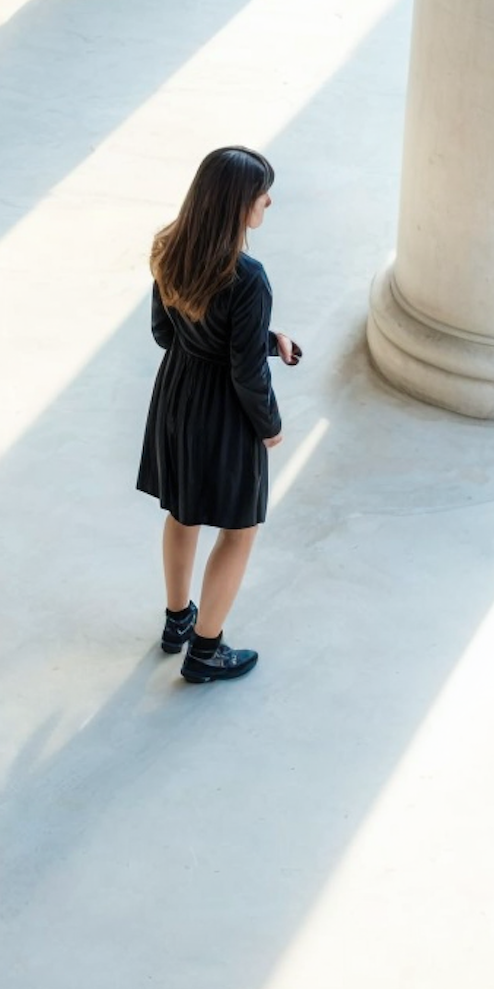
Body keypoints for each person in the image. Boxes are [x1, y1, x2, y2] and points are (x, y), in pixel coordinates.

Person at [137, 144, 300, 682]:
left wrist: (265, 339)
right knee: (239, 529)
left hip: (177, 397)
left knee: (182, 512)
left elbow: (167, 333)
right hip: (226, 414)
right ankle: (206, 653)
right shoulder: (248, 277)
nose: (268, 201)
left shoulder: (168, 246)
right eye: (262, 195)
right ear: (237, 204)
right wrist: (270, 427)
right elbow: (246, 373)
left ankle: (177, 621)